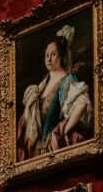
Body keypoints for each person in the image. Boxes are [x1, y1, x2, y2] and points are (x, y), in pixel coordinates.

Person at [17, 25, 93, 161]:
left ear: (61, 56)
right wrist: (28, 106)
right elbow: (29, 126)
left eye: (53, 54)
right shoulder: (40, 87)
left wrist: (61, 131)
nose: (49, 59)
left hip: (52, 149)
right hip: (35, 154)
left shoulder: (67, 81)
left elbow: (83, 104)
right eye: (47, 55)